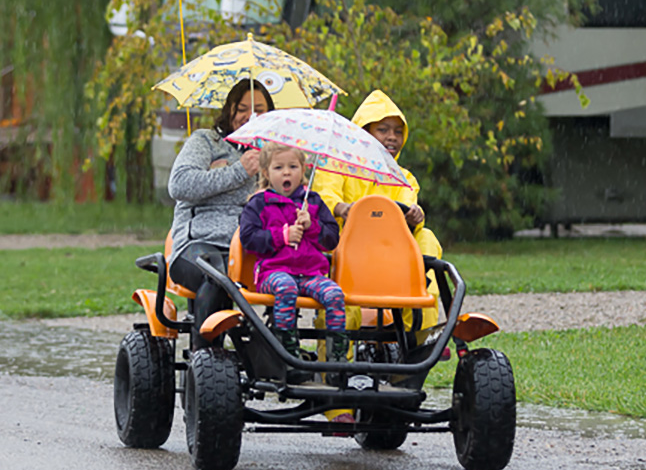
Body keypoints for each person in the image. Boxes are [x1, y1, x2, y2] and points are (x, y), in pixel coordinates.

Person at [312, 89, 443, 331]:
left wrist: (415, 216)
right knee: (343, 305)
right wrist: (342, 208)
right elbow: (323, 197)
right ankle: (335, 364)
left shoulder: (403, 178)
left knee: (427, 238)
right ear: (363, 133)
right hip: (344, 257)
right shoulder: (337, 166)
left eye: (397, 131)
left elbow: (408, 203)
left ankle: (418, 331)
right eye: (382, 130)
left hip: (389, 258)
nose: (392, 137)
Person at [167, 78, 274, 345]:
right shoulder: (207, 141)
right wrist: (239, 171)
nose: (251, 116)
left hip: (252, 248)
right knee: (217, 276)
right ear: (229, 111)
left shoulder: (276, 156)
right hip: (198, 246)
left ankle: (278, 358)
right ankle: (206, 360)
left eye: (259, 109)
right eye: (242, 109)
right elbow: (179, 185)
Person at [239, 143, 348, 384]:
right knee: (286, 287)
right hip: (273, 272)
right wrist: (281, 236)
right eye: (279, 167)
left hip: (311, 273)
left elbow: (331, 239)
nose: (286, 173)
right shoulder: (259, 204)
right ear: (266, 173)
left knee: (334, 294)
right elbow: (248, 239)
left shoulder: (314, 202)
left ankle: (337, 361)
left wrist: (313, 226)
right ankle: (289, 354)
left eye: (293, 167)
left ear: (303, 170)